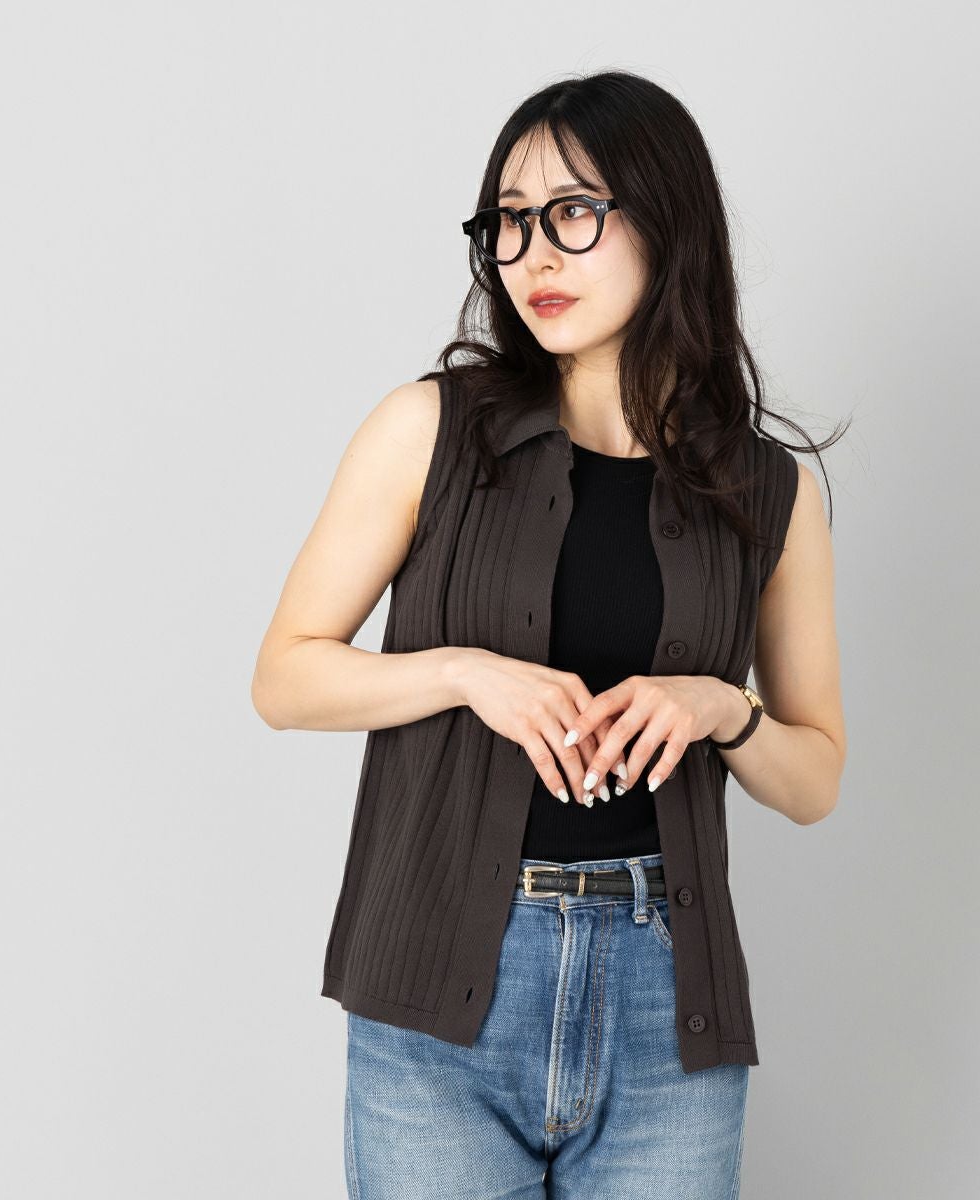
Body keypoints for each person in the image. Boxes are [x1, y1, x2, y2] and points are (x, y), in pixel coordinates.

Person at [251, 70, 848, 1200]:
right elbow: (284, 678)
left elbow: (815, 777)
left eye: (573, 212)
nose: (533, 255)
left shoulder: (767, 491)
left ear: (666, 221)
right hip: (440, 992)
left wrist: (723, 708)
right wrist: (466, 674)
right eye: (510, 222)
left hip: (668, 1006)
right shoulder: (429, 430)